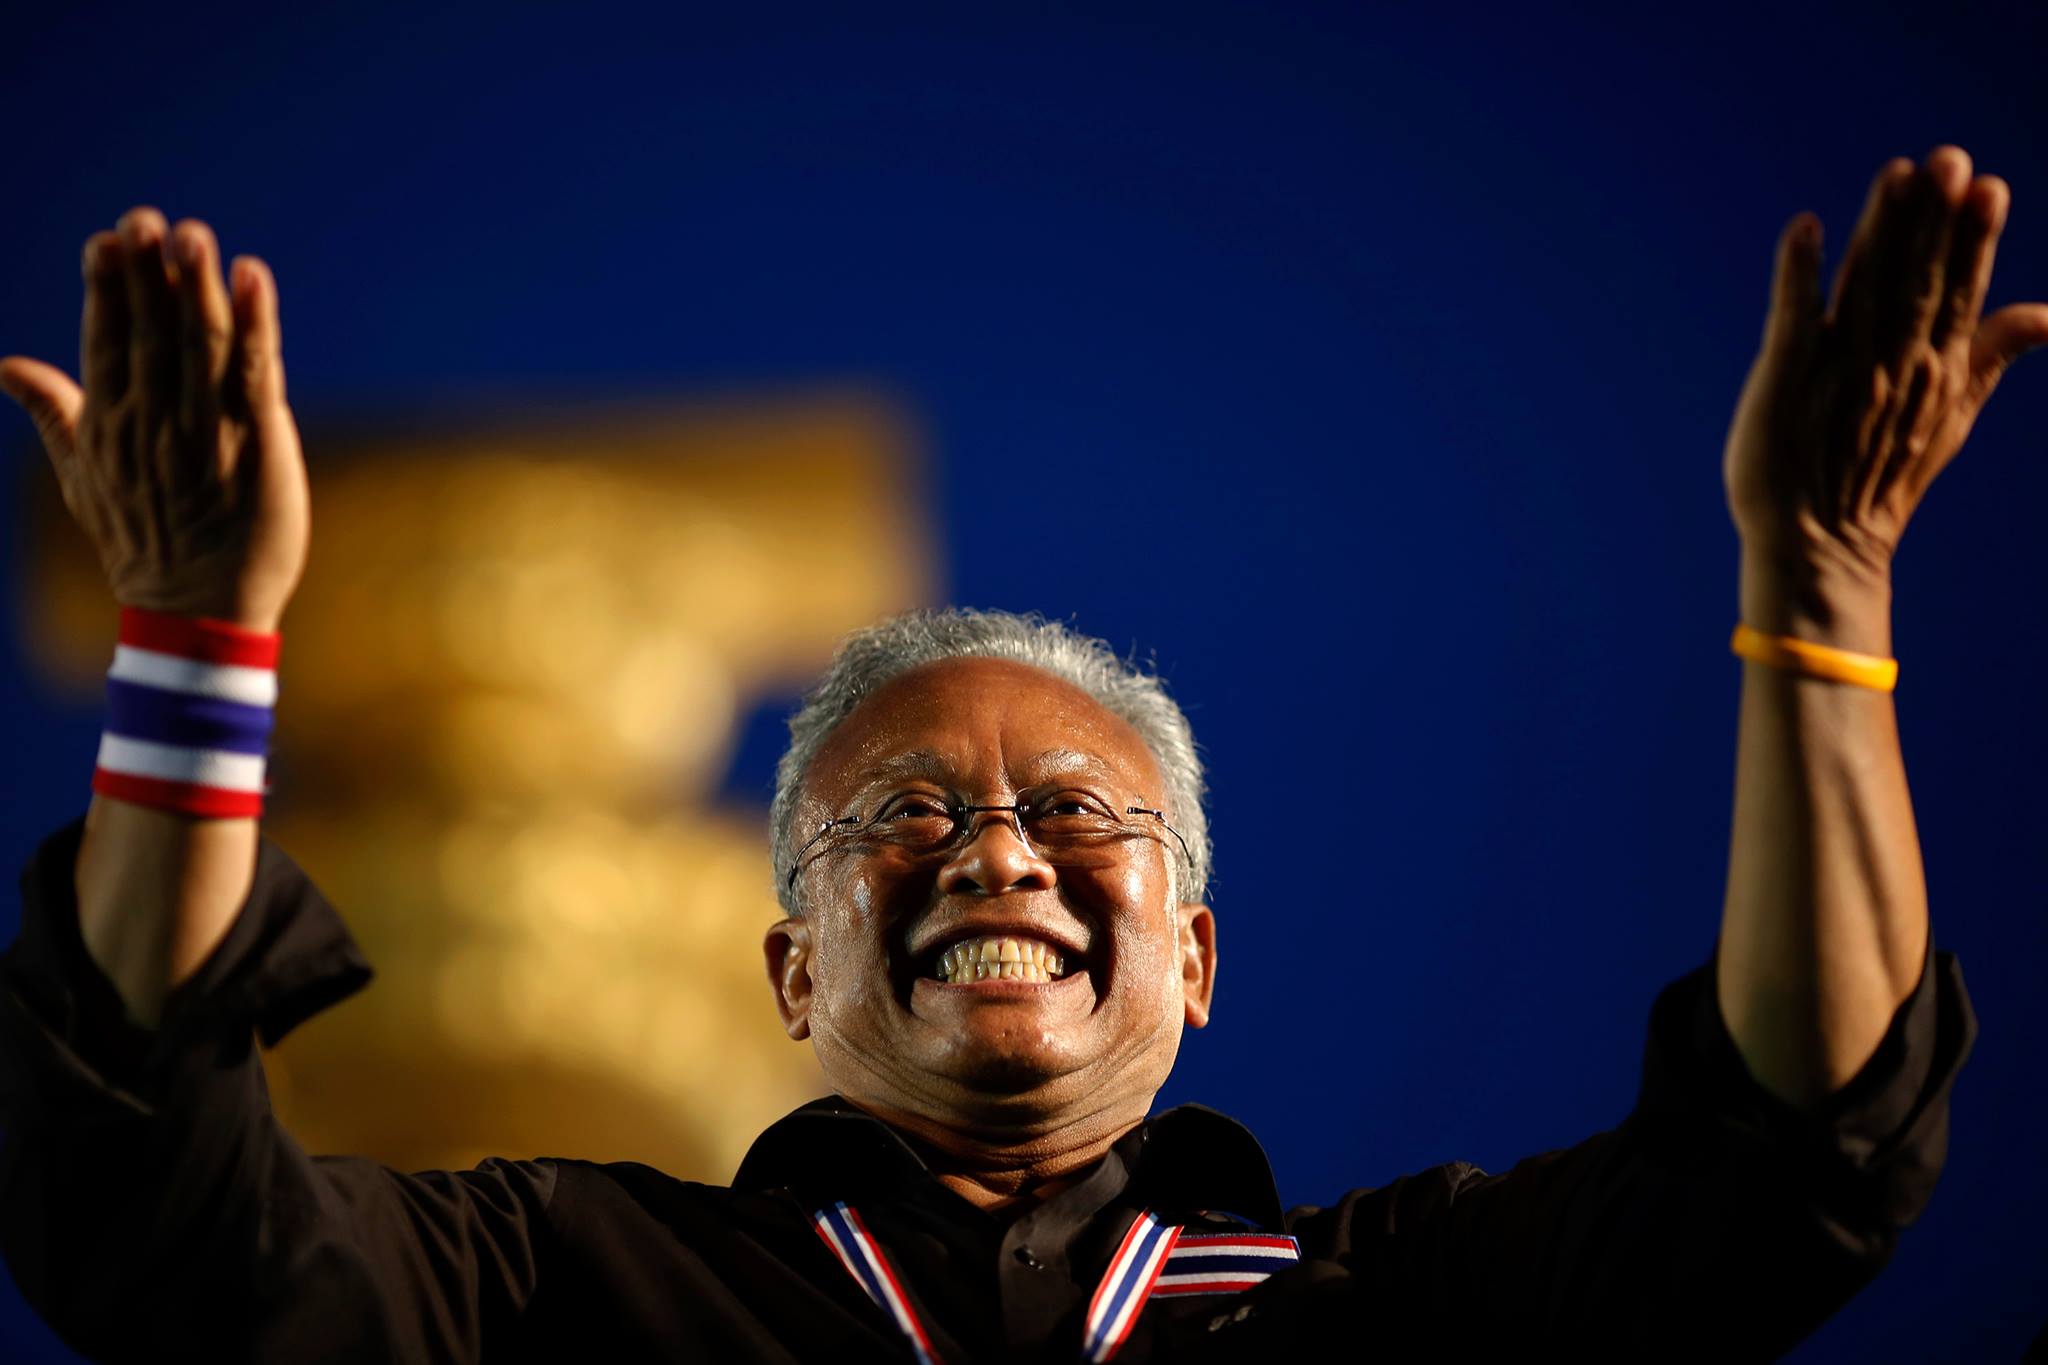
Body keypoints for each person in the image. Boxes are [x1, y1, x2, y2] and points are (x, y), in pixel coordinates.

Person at [0, 143, 2034, 1362]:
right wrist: (194, 641)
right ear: (788, 967)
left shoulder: (1394, 1305)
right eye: (903, 815)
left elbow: (1801, 1157)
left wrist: (1823, 588)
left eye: (1073, 811)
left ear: (1197, 953)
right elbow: (161, 1211)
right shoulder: (560, 1283)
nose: (993, 851)